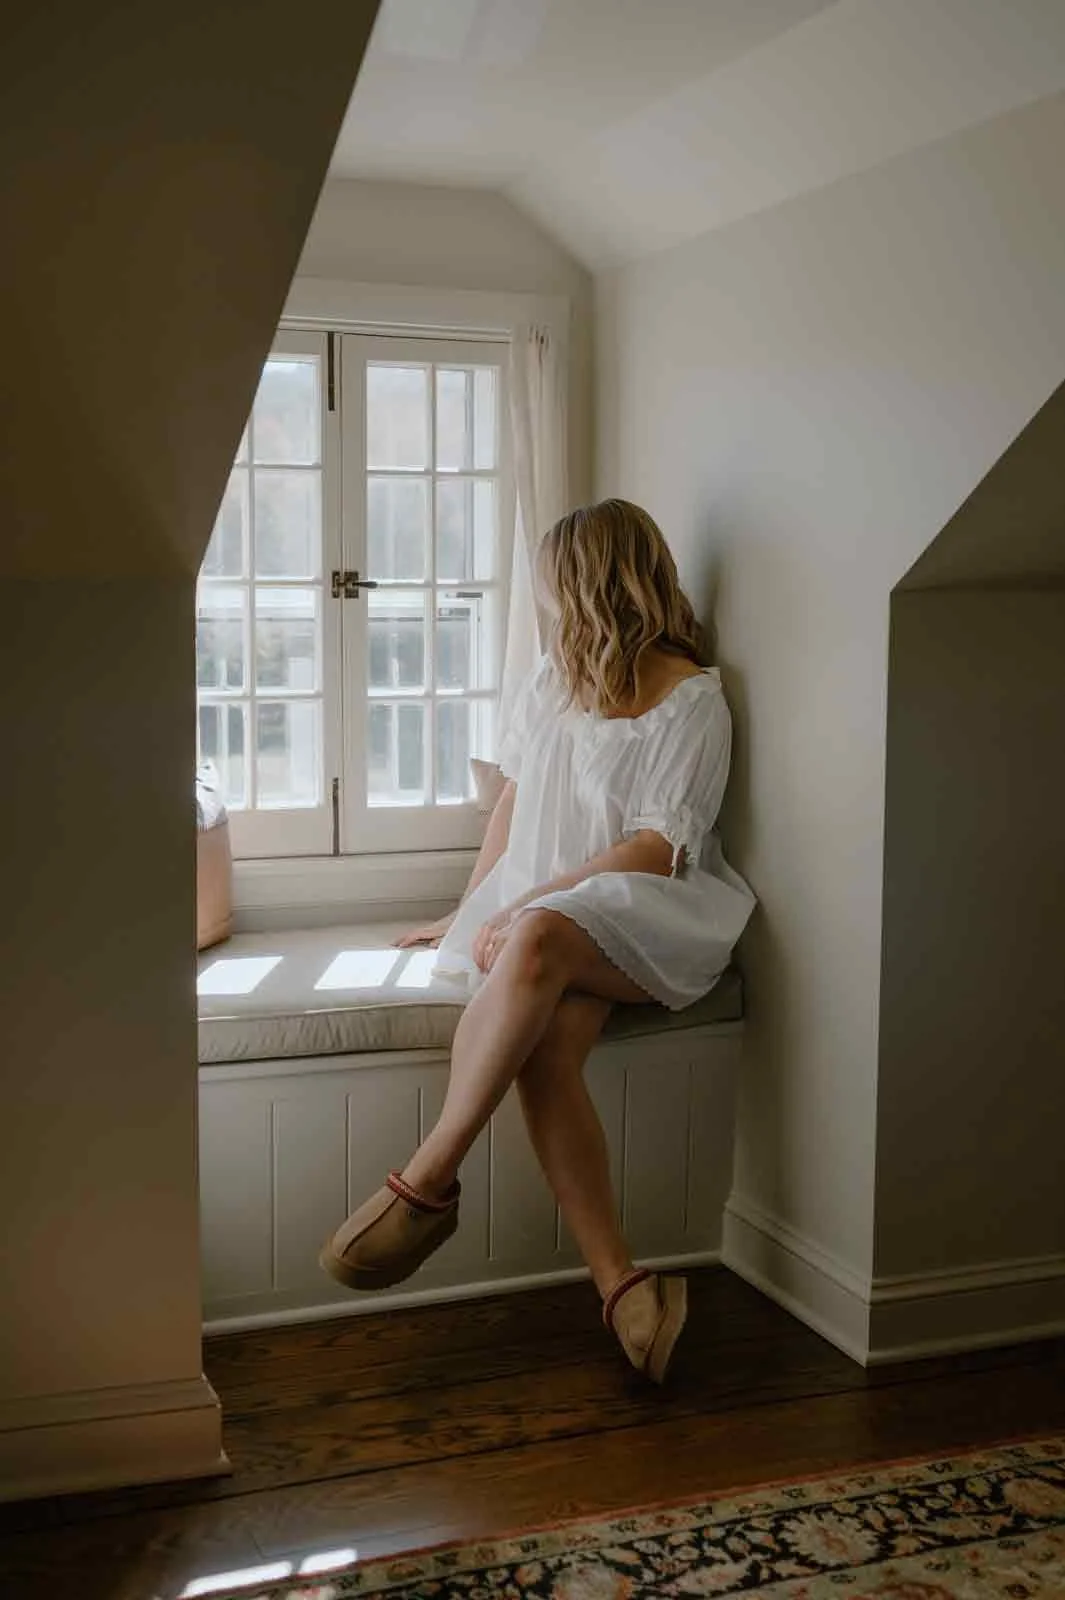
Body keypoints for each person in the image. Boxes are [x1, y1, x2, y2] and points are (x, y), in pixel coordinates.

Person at [320, 499, 755, 1383]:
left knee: (544, 934)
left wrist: (528, 909)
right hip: (553, 919)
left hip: (649, 909)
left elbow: (655, 848)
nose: (550, 606)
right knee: (549, 1051)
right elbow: (514, 805)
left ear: (595, 582)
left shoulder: (693, 700)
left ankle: (427, 1180)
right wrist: (471, 904)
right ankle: (625, 1290)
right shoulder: (553, 680)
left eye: (556, 585)